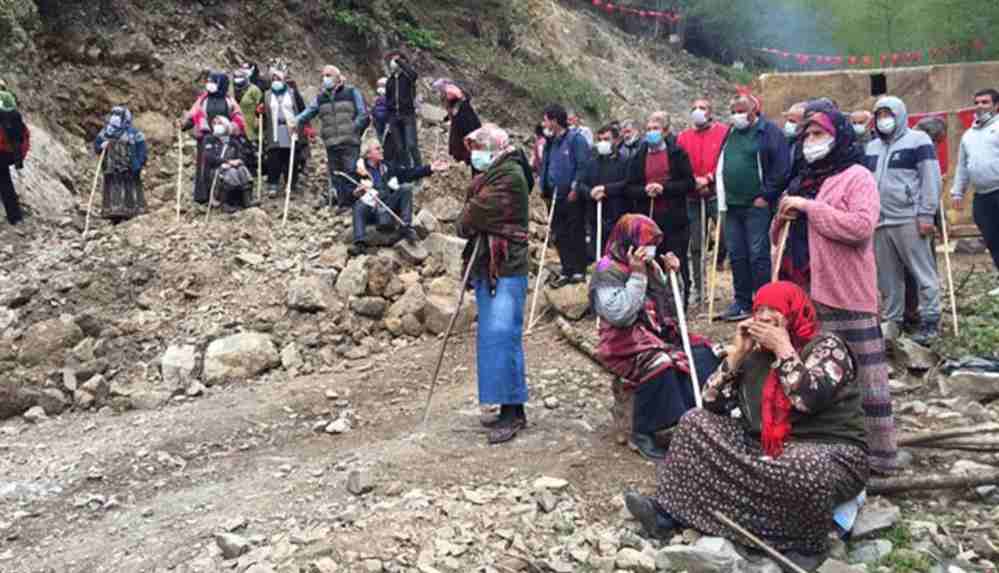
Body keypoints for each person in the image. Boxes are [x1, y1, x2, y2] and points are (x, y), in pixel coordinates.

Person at [624, 281, 868, 561]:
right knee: (693, 422)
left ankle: (803, 545)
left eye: (774, 310)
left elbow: (808, 400)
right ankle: (668, 513)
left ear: (793, 312)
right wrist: (737, 356)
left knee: (804, 468)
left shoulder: (826, 346)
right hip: (763, 449)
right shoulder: (754, 355)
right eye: (759, 310)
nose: (763, 317)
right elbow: (711, 403)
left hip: (830, 453)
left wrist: (784, 349)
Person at [775, 104, 897, 474]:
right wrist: (782, 218)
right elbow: (781, 234)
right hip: (804, 293)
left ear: (838, 135)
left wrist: (810, 209)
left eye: (819, 134)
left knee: (862, 375)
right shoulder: (800, 179)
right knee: (815, 375)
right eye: (807, 135)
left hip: (845, 292)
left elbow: (861, 227)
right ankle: (827, 449)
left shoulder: (857, 176)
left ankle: (878, 456)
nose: (811, 142)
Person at [590, 214, 719, 459]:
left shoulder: (651, 265)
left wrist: (674, 275)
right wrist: (637, 276)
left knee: (701, 353)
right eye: (646, 242)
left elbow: (672, 307)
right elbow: (620, 315)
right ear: (628, 240)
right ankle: (645, 430)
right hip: (622, 340)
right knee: (660, 364)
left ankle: (691, 417)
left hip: (654, 332)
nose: (650, 249)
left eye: (654, 243)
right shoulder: (606, 269)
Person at [456, 124, 534, 444]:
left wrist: (469, 212)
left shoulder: (510, 177)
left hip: (507, 265)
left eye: (479, 147)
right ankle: (504, 405)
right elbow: (469, 219)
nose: (475, 154)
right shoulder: (494, 175)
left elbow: (469, 219)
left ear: (496, 146)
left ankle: (513, 410)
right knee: (491, 336)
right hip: (489, 265)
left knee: (504, 336)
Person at [865, 96, 943, 344]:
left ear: (900, 114)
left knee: (922, 271)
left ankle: (930, 319)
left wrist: (926, 213)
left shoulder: (918, 141)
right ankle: (892, 321)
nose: (883, 120)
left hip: (909, 218)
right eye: (879, 115)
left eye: (888, 114)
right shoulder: (871, 147)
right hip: (879, 220)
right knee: (887, 276)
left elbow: (931, 178)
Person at [715, 94, 790, 321]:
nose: (737, 115)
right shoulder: (731, 133)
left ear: (754, 110)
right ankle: (742, 302)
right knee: (737, 255)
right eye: (734, 111)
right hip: (731, 205)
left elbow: (781, 167)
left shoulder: (769, 133)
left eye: (741, 111)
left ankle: (764, 301)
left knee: (758, 254)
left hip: (756, 205)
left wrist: (766, 195)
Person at [624, 111, 696, 305]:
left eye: (655, 129)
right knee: (650, 261)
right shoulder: (638, 157)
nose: (651, 133)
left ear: (665, 131)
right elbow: (629, 188)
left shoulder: (678, 154)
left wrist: (664, 188)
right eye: (648, 129)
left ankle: (681, 301)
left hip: (674, 220)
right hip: (649, 220)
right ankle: (655, 303)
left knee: (675, 259)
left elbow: (689, 183)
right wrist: (644, 190)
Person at [349, 140, 448, 256]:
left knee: (405, 189)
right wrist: (355, 193)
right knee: (359, 206)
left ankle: (406, 227)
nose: (382, 150)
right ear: (368, 154)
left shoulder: (387, 167)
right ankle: (360, 244)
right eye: (378, 149)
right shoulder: (357, 170)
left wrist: (430, 168)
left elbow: (407, 174)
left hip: (388, 206)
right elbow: (348, 192)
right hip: (371, 208)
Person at [677, 99, 730, 305]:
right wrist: (694, 181)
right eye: (695, 108)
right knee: (697, 245)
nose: (698, 112)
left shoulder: (723, 132)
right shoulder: (683, 137)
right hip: (693, 196)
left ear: (711, 112)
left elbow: (724, 160)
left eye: (703, 108)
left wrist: (709, 178)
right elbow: (681, 163)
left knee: (726, 236)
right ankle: (700, 289)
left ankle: (721, 264)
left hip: (717, 195)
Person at [296, 65, 369, 208]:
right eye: (323, 76)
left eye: (328, 75)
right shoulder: (321, 98)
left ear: (337, 77)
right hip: (331, 142)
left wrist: (353, 129)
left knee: (350, 171)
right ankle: (343, 204)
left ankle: (354, 204)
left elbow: (363, 114)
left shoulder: (351, 92)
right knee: (336, 174)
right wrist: (294, 121)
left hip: (349, 141)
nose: (325, 78)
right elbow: (308, 113)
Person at [952, 88, 999, 294]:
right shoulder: (968, 135)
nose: (980, 106)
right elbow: (963, 166)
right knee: (991, 238)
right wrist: (957, 192)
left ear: (996, 106)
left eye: (985, 102)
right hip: (981, 195)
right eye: (977, 102)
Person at [539, 103, 591, 287]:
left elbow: (583, 166)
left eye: (546, 119)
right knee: (559, 234)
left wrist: (575, 188)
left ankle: (579, 270)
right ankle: (566, 268)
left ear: (554, 120)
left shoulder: (576, 140)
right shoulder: (550, 142)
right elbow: (545, 165)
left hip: (571, 196)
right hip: (553, 196)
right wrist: (543, 187)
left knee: (574, 232)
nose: (544, 123)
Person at [181, 71, 246, 204]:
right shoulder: (203, 100)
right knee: (204, 166)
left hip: (224, 139)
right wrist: (184, 124)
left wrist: (229, 128)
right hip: (206, 137)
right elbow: (192, 115)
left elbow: (239, 119)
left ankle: (224, 195)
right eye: (209, 81)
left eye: (213, 82)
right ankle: (203, 195)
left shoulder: (229, 101)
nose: (209, 84)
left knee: (224, 165)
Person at [578, 124, 629, 261]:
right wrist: (591, 193)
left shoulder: (625, 161)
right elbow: (581, 184)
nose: (602, 143)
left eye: (606, 139)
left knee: (616, 257)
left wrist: (606, 189)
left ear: (616, 140)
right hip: (596, 216)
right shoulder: (592, 162)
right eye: (600, 140)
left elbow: (627, 184)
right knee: (597, 255)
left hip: (617, 217)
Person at [93, 106, 147, 222]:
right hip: (111, 168)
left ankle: (133, 211)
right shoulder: (106, 132)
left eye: (118, 116)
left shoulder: (133, 133)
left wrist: (139, 162)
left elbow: (141, 148)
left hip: (129, 168)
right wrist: (101, 146)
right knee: (113, 187)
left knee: (129, 187)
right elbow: (97, 146)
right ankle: (113, 213)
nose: (115, 119)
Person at [260, 69, 304, 198]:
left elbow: (302, 109)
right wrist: (259, 111)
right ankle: (273, 185)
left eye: (278, 79)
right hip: (275, 129)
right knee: (274, 157)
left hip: (290, 128)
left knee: (291, 157)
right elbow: (260, 111)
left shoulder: (292, 93)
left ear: (284, 80)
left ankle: (290, 184)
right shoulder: (266, 94)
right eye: (273, 80)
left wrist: (304, 127)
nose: (275, 82)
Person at [202, 116, 253, 213]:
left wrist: (238, 162)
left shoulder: (233, 141)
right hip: (215, 169)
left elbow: (242, 156)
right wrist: (226, 162)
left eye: (219, 123)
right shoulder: (209, 139)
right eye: (214, 123)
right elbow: (209, 157)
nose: (216, 126)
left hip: (231, 168)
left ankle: (247, 201)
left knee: (242, 169)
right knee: (231, 172)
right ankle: (225, 204)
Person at [432, 78, 483, 173]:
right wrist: (445, 118)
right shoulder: (460, 105)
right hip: (466, 131)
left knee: (473, 155)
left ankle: (476, 174)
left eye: (440, 92)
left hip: (468, 133)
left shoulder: (460, 108)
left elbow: (466, 130)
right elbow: (452, 111)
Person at [384, 51, 421, 168]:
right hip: (394, 116)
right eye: (393, 61)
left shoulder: (407, 77)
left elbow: (414, 75)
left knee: (411, 144)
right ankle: (408, 171)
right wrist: (388, 117)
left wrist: (400, 61)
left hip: (408, 115)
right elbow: (387, 98)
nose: (394, 63)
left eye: (396, 61)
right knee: (400, 147)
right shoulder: (389, 80)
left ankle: (419, 168)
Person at [0, 90, 27, 225]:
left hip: (3, 150)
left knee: (5, 184)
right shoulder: (11, 107)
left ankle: (14, 217)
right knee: (6, 184)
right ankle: (15, 217)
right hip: (9, 153)